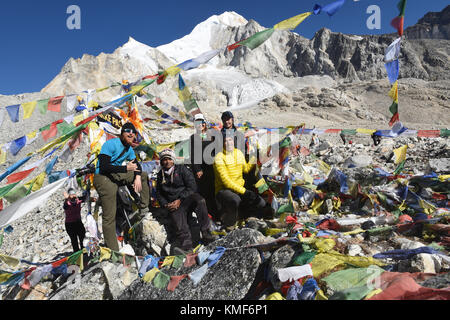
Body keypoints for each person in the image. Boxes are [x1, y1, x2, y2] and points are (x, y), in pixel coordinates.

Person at [93, 122, 150, 251]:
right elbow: (104, 166)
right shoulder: (110, 144)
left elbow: (137, 166)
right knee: (109, 215)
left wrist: (137, 176)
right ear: (121, 133)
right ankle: (113, 250)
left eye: (133, 132)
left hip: (117, 174)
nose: (131, 134)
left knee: (144, 175)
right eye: (127, 131)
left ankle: (143, 207)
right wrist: (126, 168)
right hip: (102, 177)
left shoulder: (129, 149)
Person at [156, 148, 216, 254]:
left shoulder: (182, 169)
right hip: (173, 204)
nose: (167, 162)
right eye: (164, 160)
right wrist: (166, 205)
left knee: (200, 201)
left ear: (173, 160)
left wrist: (180, 199)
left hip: (186, 198)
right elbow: (159, 194)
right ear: (161, 162)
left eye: (169, 159)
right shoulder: (160, 175)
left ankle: (207, 234)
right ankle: (187, 247)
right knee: (178, 221)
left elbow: (192, 186)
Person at [213, 134, 266, 231]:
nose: (229, 143)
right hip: (224, 190)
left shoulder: (238, 153)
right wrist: (245, 192)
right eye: (226, 141)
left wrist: (254, 157)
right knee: (235, 199)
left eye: (231, 140)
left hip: (239, 189)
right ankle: (229, 225)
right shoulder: (219, 158)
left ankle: (249, 221)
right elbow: (226, 182)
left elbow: (245, 169)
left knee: (260, 202)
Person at [188, 113, 218, 219]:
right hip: (200, 170)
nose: (199, 125)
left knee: (212, 192)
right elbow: (193, 155)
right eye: (197, 123)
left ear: (204, 124)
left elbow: (216, 151)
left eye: (201, 123)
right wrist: (197, 169)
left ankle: (214, 214)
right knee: (202, 192)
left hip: (211, 168)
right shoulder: (193, 138)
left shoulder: (212, 136)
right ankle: (204, 215)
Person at [63, 188, 89, 252]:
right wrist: (66, 198)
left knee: (82, 236)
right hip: (70, 224)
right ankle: (77, 254)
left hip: (78, 222)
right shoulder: (67, 202)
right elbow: (65, 206)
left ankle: (84, 251)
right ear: (69, 195)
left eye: (74, 194)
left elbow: (86, 197)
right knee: (74, 240)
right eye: (71, 194)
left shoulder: (78, 200)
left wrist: (87, 188)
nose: (73, 196)